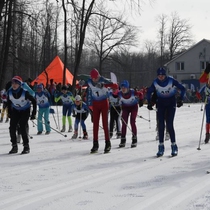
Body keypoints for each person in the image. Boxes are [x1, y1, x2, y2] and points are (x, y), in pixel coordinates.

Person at [147, 67, 186, 157]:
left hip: (171, 104)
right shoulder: (155, 82)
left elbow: (182, 88)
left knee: (169, 124)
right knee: (161, 125)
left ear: (165, 75)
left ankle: (174, 146)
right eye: (159, 76)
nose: (161, 77)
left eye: (162, 75)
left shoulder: (171, 80)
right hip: (160, 104)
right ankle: (161, 146)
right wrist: (149, 102)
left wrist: (181, 99)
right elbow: (149, 92)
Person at [79, 68, 117, 153]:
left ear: (98, 76)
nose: (95, 80)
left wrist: (104, 85)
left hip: (104, 103)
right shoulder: (89, 81)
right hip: (95, 104)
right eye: (93, 78)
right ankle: (95, 144)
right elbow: (79, 85)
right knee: (95, 124)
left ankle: (108, 143)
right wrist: (80, 83)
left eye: (96, 78)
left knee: (104, 124)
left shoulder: (102, 79)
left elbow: (115, 86)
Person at [7, 76, 37, 154]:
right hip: (16, 111)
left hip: (25, 111)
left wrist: (34, 113)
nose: (14, 85)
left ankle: (26, 146)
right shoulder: (10, 92)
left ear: (20, 85)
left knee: (23, 127)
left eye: (16, 83)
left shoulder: (25, 92)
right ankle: (14, 146)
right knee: (12, 128)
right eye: (13, 83)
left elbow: (34, 101)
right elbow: (9, 102)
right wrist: (9, 112)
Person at [117, 80, 144, 148]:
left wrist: (141, 100)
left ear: (128, 88)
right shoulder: (120, 93)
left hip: (133, 107)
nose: (123, 89)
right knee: (124, 123)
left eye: (124, 88)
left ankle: (134, 139)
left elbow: (140, 94)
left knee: (132, 122)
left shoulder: (132, 92)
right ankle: (123, 139)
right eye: (122, 88)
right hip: (125, 108)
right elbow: (114, 94)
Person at [197, 62, 210, 143]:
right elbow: (201, 80)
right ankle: (207, 134)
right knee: (208, 118)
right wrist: (206, 71)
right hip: (208, 101)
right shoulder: (208, 75)